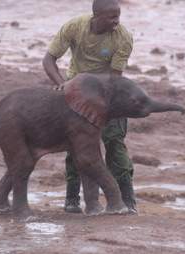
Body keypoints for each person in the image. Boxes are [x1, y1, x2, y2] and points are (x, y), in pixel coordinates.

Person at [42, 0, 137, 214]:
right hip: (74, 89)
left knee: (114, 142)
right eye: (112, 16)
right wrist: (62, 85)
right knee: (76, 145)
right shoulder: (74, 26)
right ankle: (72, 200)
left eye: (118, 16)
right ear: (96, 15)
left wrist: (103, 104)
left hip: (108, 93)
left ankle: (128, 201)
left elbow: (114, 79)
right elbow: (48, 60)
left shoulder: (123, 37)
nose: (116, 21)